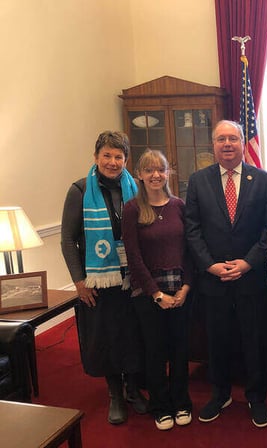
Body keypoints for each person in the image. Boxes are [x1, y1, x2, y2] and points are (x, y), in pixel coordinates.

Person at [186, 120, 267, 428]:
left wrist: (248, 262)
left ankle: (256, 397)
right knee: (217, 340)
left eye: (233, 139)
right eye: (221, 139)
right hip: (212, 278)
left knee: (254, 339)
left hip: (251, 276)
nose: (227, 144)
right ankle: (220, 393)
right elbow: (192, 229)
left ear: (242, 143)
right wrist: (209, 264)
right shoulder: (198, 181)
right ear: (213, 145)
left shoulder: (264, 181)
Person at [60, 130, 148, 425]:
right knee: (107, 335)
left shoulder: (135, 187)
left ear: (126, 159)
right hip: (97, 279)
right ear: (96, 157)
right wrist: (79, 281)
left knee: (133, 333)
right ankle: (115, 394)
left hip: (131, 276)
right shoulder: (81, 190)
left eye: (118, 157)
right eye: (106, 156)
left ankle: (134, 389)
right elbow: (67, 239)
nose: (112, 162)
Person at [121, 149, 193, 431]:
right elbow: (133, 255)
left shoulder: (179, 205)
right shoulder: (133, 209)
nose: (155, 175)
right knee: (155, 351)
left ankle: (182, 402)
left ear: (167, 173)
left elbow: (188, 249)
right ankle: (161, 406)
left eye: (160, 169)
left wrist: (186, 287)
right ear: (139, 174)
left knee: (180, 350)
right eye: (149, 170)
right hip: (148, 295)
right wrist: (156, 294)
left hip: (180, 291)